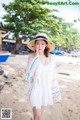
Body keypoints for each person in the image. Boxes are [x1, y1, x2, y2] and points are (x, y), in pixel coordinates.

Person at [26, 33, 61, 120]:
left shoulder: (51, 58)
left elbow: (53, 76)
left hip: (47, 90)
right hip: (36, 90)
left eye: (42, 44)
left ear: (46, 45)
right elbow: (28, 75)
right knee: (38, 116)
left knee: (38, 116)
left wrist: (54, 91)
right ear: (35, 45)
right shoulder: (32, 57)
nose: (40, 46)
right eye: (38, 43)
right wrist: (37, 57)